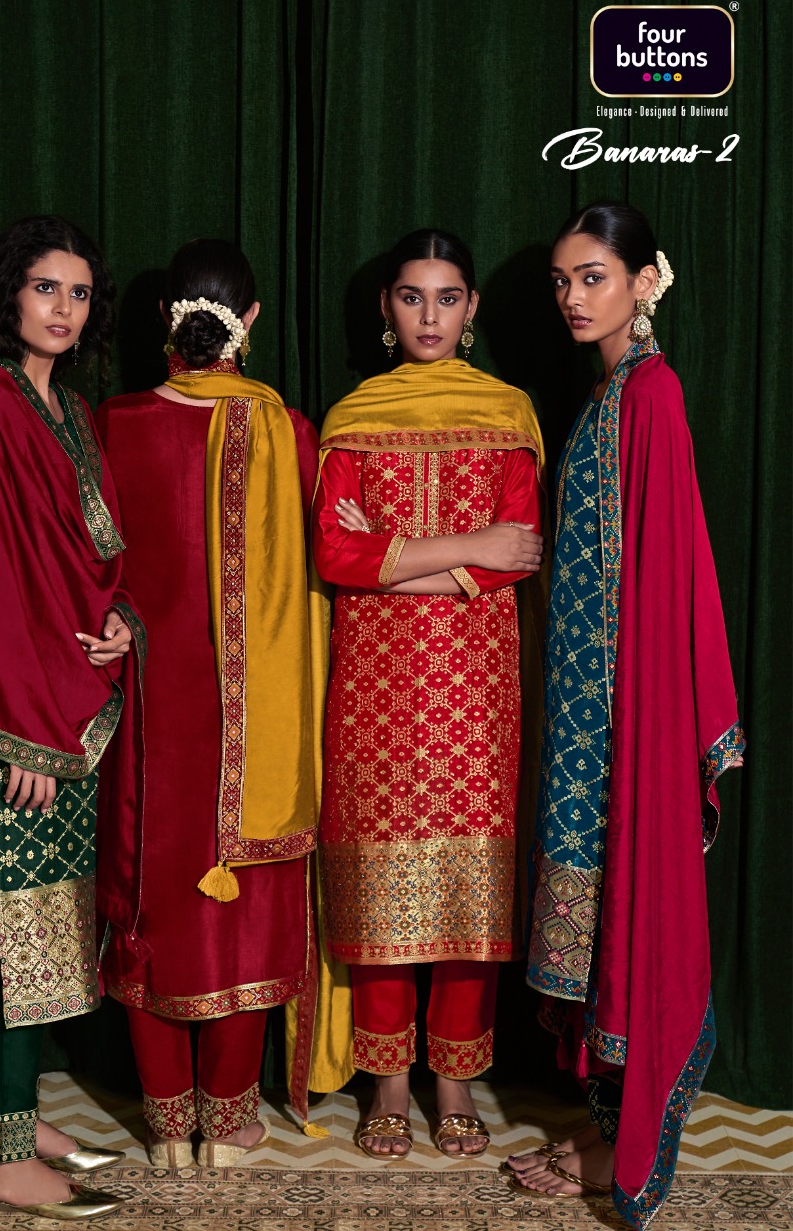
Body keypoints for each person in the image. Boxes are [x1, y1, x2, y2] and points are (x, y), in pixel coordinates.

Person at [504, 203, 744, 1226]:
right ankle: (602, 1130)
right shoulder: (607, 394)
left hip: (621, 714)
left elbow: (664, 573)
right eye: (561, 280)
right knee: (594, 926)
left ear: (645, 281)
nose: (571, 296)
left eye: (592, 276)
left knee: (629, 911)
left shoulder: (652, 396)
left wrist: (642, 723)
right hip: (583, 718)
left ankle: (621, 1146)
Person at [312, 229, 546, 1159]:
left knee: (466, 893)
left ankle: (454, 1079)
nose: (429, 316)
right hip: (374, 688)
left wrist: (393, 561)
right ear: (386, 308)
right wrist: (464, 551)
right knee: (379, 889)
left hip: (476, 690)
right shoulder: (353, 418)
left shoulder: (508, 414)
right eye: (411, 297)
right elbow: (333, 553)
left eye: (447, 298)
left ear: (472, 308)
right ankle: (386, 1083)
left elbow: (519, 550)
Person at [0, 216, 144, 1218]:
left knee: (47, 930)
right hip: (11, 722)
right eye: (45, 288)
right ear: (8, 296)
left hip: (61, 706)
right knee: (3, 936)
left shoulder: (66, 409)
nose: (63, 308)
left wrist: (119, 620)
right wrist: (23, 729)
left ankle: (23, 1118)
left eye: (79, 293)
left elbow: (93, 555)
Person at [94, 239, 321, 1168]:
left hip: (149, 713)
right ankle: (228, 1124)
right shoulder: (288, 431)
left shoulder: (113, 423)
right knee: (245, 904)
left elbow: (87, 565)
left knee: (151, 898)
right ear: (251, 321)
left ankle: (165, 1127)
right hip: (261, 723)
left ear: (165, 319)